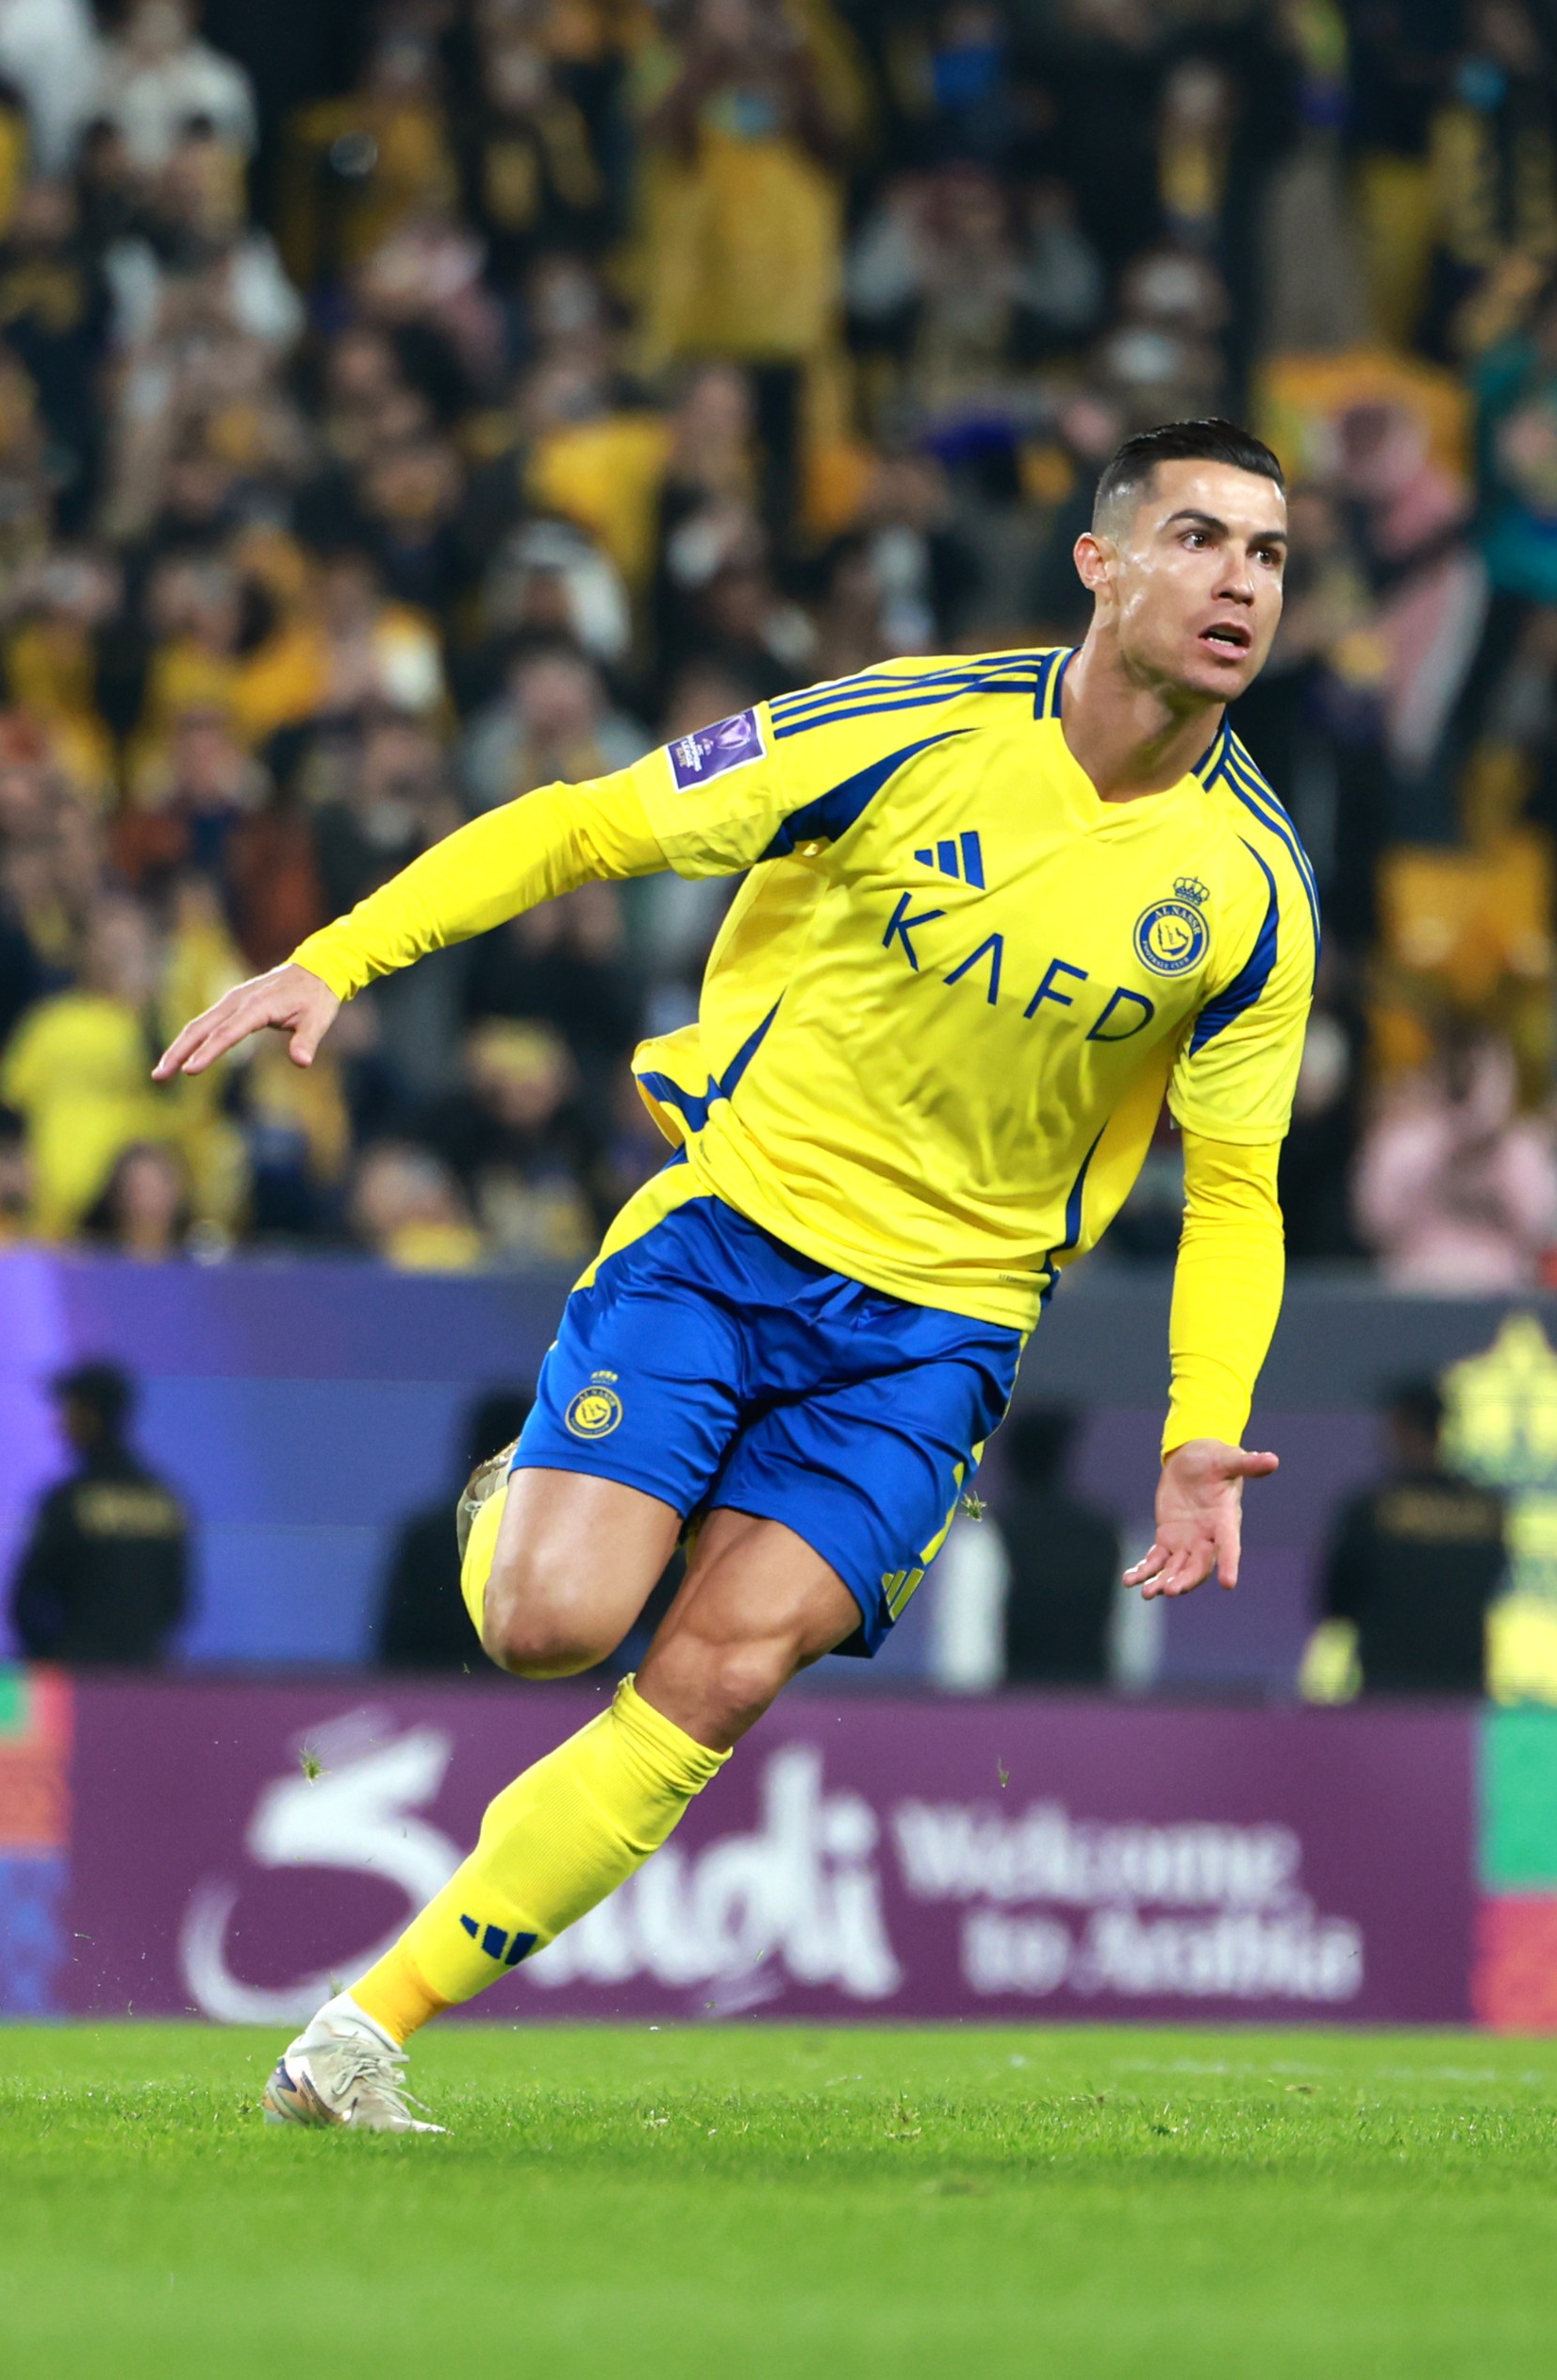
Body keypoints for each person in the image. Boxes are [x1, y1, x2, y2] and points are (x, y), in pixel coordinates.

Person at [157, 417, 1316, 2132]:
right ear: (1103, 562)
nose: (1241, 582)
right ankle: (529, 1496)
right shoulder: (906, 725)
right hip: (732, 1237)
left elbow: (1236, 1188)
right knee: (548, 1622)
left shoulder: (1253, 886)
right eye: (1204, 538)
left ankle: (360, 2032)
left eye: (1272, 555)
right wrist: (336, 960)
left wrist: (1201, 1425)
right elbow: (583, 827)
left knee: (717, 1670)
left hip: (939, 1330)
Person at [1300, 1378, 1511, 1700]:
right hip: (1463, 1692)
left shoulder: (1372, 1509)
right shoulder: (1487, 1509)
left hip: (1388, 1692)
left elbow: (1335, 1602)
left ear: (1401, 1428)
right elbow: (1498, 1585)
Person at [7, 1362, 194, 1666]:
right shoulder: (164, 1499)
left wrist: (49, 1660)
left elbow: (25, 1599)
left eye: (69, 1411)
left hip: (79, 1679)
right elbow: (177, 1603)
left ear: (91, 1417)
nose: (60, 1425)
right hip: (148, 1678)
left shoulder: (69, 1500)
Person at [377, 1390, 529, 1674]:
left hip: (438, 1705)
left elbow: (395, 1651)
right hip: (544, 1700)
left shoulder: (426, 1533)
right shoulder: (428, 1535)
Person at [991, 1403, 1121, 1688]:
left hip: (1011, 1707)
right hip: (1093, 1705)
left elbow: (969, 1653)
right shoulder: (1106, 1534)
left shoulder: (992, 1535)